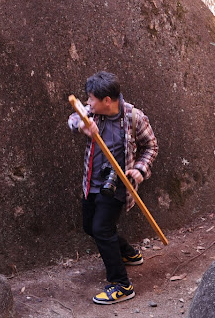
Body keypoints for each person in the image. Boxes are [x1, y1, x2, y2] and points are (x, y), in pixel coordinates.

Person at [67, 71, 158, 305]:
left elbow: (151, 147)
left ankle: (122, 284)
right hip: (92, 183)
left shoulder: (134, 118)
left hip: (118, 185)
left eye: (92, 98)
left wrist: (140, 169)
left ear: (107, 100)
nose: (88, 102)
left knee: (102, 229)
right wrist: (82, 127)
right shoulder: (91, 115)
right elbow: (72, 119)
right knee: (90, 226)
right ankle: (128, 253)